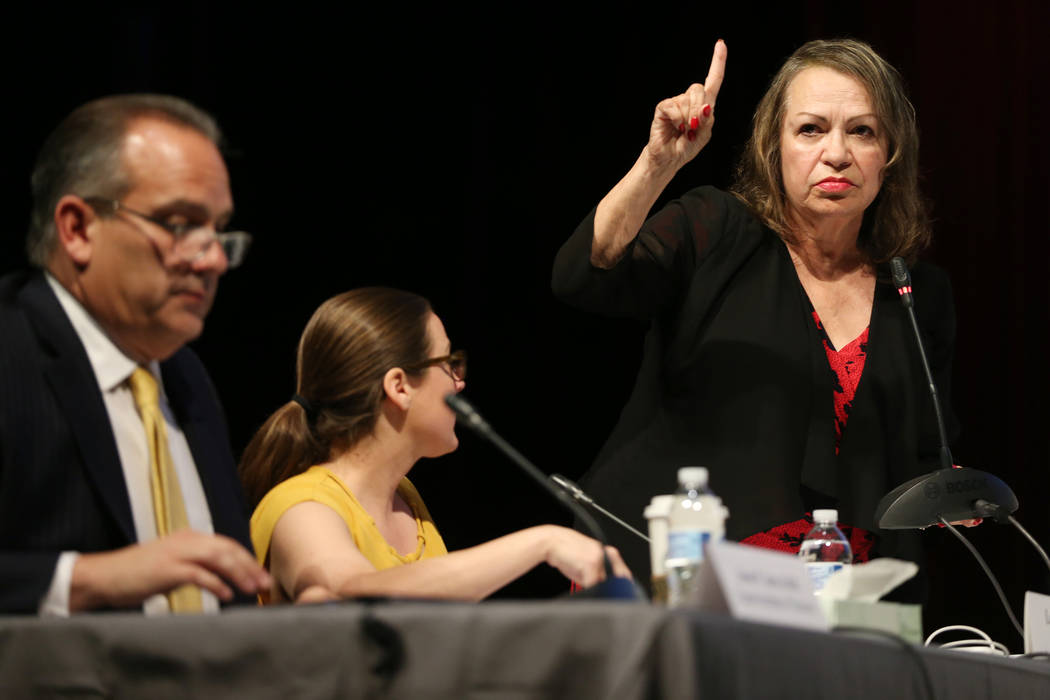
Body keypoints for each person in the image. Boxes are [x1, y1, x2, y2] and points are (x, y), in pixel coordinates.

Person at [551, 39, 958, 592]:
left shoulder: (915, 293)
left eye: (861, 131)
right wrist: (658, 164)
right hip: (676, 575)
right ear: (775, 147)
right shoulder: (717, 229)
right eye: (811, 129)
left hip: (836, 593)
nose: (836, 153)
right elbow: (586, 275)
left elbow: (924, 454)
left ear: (889, 154)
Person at [0, 95, 270, 615]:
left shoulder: (186, 375)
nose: (213, 258)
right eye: (180, 224)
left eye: (218, 230)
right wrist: (81, 581)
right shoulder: (10, 352)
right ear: (78, 229)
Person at [241, 287, 630, 603]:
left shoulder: (406, 500)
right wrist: (545, 542)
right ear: (399, 386)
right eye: (448, 363)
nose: (458, 382)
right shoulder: (302, 508)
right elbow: (350, 596)